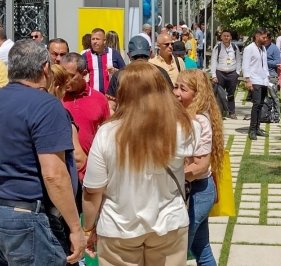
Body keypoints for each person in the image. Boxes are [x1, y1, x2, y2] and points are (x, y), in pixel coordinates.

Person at [0, 39, 86, 265]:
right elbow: (54, 174)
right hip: (27, 217)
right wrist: (75, 227)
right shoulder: (47, 105)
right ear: (45, 68)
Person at [82, 63, 200, 265]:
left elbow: (93, 189)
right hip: (169, 222)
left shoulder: (107, 133)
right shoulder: (185, 127)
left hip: (118, 225)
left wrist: (88, 228)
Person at [175, 69, 224, 266]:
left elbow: (201, 166)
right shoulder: (185, 114)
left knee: (177, 253)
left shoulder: (200, 121)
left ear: (197, 94)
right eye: (175, 86)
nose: (176, 92)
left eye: (182, 89)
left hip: (197, 193)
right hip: (194, 192)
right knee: (202, 251)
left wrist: (169, 177)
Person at [58, 54, 110, 202]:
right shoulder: (55, 99)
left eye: (71, 76)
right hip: (62, 172)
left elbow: (108, 135)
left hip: (91, 174)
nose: (65, 80)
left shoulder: (99, 99)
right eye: (63, 75)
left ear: (84, 74)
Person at [106, 36, 173, 112]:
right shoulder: (118, 76)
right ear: (128, 55)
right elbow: (111, 106)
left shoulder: (161, 73)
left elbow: (172, 102)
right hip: (130, 121)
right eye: (136, 58)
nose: (140, 61)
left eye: (144, 57)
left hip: (155, 121)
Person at [242, 28, 270, 141]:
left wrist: (267, 77)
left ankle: (258, 127)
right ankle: (252, 129)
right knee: (256, 104)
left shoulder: (263, 49)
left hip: (263, 80)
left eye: (266, 37)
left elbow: (265, 64)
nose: (265, 39)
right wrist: (248, 80)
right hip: (254, 79)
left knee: (261, 104)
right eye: (263, 37)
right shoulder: (249, 49)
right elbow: (246, 65)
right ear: (257, 36)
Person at [82, 28, 126, 94]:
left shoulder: (114, 53)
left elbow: (125, 72)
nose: (95, 41)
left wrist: (116, 71)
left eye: (97, 39)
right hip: (93, 96)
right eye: (93, 39)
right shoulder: (85, 56)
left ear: (104, 40)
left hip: (111, 96)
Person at [210, 30, 241, 120]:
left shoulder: (235, 47)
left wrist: (237, 72)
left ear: (231, 37)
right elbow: (214, 61)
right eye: (224, 36)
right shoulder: (217, 47)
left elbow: (238, 60)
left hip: (232, 73)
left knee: (231, 94)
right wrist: (214, 75)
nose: (226, 37)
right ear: (221, 37)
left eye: (228, 36)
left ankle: (232, 112)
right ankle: (219, 113)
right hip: (220, 73)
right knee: (219, 94)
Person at [262, 29, 281, 97]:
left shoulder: (274, 48)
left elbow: (277, 62)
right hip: (261, 74)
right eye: (263, 38)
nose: (264, 40)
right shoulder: (261, 47)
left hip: (271, 74)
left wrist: (266, 62)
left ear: (270, 39)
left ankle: (275, 107)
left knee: (273, 95)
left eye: (266, 39)